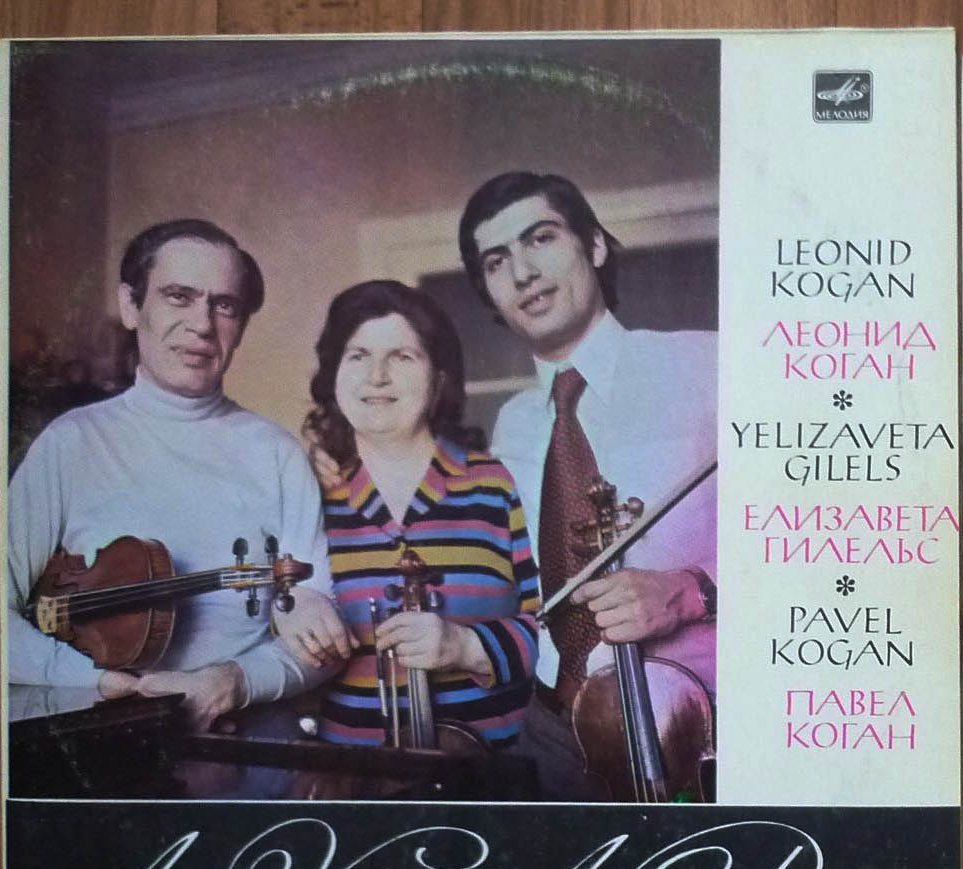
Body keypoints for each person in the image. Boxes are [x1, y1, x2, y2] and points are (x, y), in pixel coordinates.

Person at [7, 219, 351, 737]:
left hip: (242, 742)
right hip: (98, 735)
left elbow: (320, 645)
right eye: (178, 297)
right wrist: (96, 683)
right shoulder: (70, 442)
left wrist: (233, 681)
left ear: (241, 326)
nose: (202, 325)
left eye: (224, 305)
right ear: (131, 306)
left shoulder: (277, 454)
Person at [458, 171, 716, 800]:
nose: (523, 273)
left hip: (688, 728)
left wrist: (692, 592)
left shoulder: (710, 364)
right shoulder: (513, 425)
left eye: (540, 238)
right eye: (497, 261)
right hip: (552, 727)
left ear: (595, 245)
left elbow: (824, 526)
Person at [298, 280, 540, 751]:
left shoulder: (498, 484)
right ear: (333, 376)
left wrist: (467, 647)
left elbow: (558, 628)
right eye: (358, 356)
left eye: (402, 357)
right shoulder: (305, 490)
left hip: (491, 771)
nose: (377, 377)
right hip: (352, 776)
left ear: (439, 380)